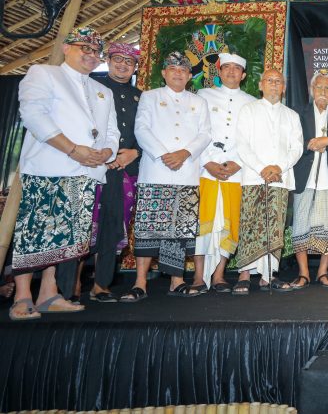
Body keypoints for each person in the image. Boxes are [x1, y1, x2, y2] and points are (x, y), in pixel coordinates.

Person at [10, 27, 119, 320]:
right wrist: (72, 149)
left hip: (88, 171)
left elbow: (112, 131)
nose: (91, 55)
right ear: (67, 48)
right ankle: (22, 296)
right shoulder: (44, 74)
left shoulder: (104, 90)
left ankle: (49, 293)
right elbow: (33, 115)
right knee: (35, 231)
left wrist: (107, 152)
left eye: (96, 51)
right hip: (50, 166)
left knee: (65, 237)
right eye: (85, 48)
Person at [122, 51, 211, 301]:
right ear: (164, 73)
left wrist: (184, 153)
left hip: (186, 172)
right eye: (173, 69)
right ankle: (140, 282)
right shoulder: (150, 97)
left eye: (183, 70)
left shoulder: (198, 101)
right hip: (155, 171)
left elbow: (205, 134)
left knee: (179, 230)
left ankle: (176, 280)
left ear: (189, 75)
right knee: (148, 228)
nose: (178, 74)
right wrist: (163, 154)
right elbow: (141, 129)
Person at [191, 53, 256, 293]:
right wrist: (208, 161)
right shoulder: (202, 96)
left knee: (229, 223)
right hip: (205, 169)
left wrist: (237, 163)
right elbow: (195, 131)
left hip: (235, 172)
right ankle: (198, 277)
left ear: (243, 75)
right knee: (202, 223)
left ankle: (219, 275)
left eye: (236, 68)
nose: (231, 72)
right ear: (219, 72)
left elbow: (251, 139)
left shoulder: (251, 103)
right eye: (226, 67)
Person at [234, 69, 302, 295]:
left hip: (280, 178)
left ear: (284, 87)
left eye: (278, 81)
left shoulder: (291, 115)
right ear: (260, 85)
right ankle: (244, 274)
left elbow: (296, 148)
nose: (274, 84)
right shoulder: (248, 110)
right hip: (254, 177)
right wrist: (262, 168)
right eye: (269, 81)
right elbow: (242, 144)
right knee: (250, 225)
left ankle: (269, 275)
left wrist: (278, 167)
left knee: (275, 228)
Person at [88, 42, 142, 303]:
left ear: (135, 67)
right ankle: (70, 284)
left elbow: (148, 131)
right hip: (93, 164)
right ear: (108, 61)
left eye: (129, 61)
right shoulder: (90, 87)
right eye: (118, 59)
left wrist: (135, 152)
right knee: (87, 223)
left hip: (127, 169)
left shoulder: (141, 97)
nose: (123, 65)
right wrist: (104, 154)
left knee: (113, 224)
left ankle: (101, 284)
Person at [290, 70, 328, 289]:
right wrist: (310, 145)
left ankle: (323, 272)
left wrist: (327, 141)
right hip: (305, 177)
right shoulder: (298, 113)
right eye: (319, 87)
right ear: (312, 90)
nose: (323, 91)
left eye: (327, 88)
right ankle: (303, 273)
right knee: (301, 225)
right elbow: (290, 142)